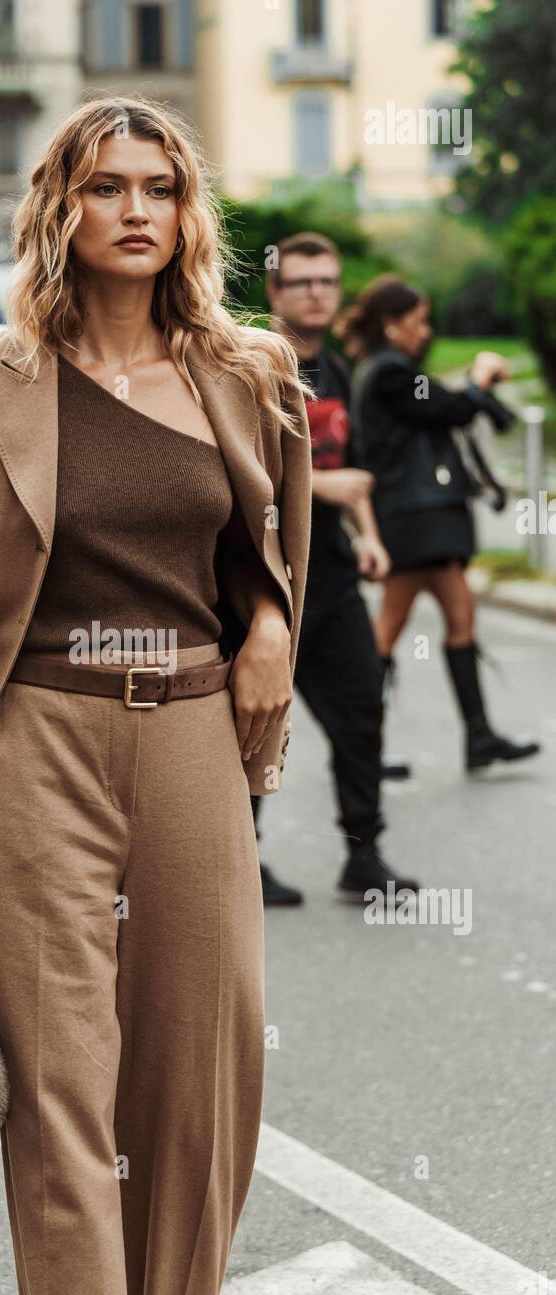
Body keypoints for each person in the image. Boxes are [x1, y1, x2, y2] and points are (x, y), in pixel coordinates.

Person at [0, 96, 312, 1295]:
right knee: (59, 1086)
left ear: (186, 214)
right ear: (59, 208)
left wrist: (270, 624)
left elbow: (272, 549)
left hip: (191, 741)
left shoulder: (247, 374)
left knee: (200, 1071)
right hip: (29, 748)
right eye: (106, 187)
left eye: (158, 189)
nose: (135, 211)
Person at [251, 233, 418, 907]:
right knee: (257, 727)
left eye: (327, 281)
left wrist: (369, 536)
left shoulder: (342, 373)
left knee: (361, 711)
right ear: (275, 292)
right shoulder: (254, 366)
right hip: (264, 585)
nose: (317, 292)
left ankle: (363, 854)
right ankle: (244, 860)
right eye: (302, 282)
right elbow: (240, 474)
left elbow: (353, 476)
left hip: (335, 579)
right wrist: (326, 487)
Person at [338, 275, 541, 772]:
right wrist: (478, 380)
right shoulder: (389, 373)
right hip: (417, 520)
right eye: (418, 321)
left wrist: (473, 389)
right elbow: (449, 410)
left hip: (418, 519)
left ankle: (475, 736)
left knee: (453, 616)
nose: (425, 332)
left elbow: (443, 408)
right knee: (393, 629)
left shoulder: (384, 371)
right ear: (392, 325)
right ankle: (366, 748)